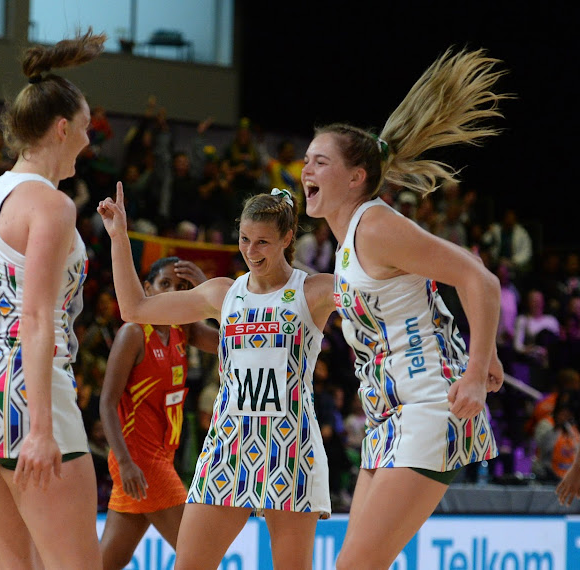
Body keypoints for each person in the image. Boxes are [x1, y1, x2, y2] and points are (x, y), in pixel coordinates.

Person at [300, 47, 508, 569]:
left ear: (355, 178)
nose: (306, 167)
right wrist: (482, 347)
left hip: (428, 409)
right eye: (306, 159)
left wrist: (479, 364)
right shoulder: (351, 240)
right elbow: (454, 283)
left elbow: (478, 279)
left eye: (319, 161)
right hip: (387, 419)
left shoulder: (374, 225)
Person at [0, 29, 106, 569]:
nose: (87, 139)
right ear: (61, 128)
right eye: (83, 128)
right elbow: (33, 318)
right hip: (24, 395)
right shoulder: (51, 206)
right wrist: (39, 428)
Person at [99, 185, 335, 569]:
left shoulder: (313, 290)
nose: (250, 251)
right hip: (228, 444)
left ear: (288, 239)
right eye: (244, 239)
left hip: (290, 444)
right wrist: (119, 237)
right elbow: (134, 307)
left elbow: (374, 290)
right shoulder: (223, 293)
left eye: (262, 242)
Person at [98, 256, 219, 569]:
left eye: (180, 287)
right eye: (164, 284)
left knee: (107, 561)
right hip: (140, 460)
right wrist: (124, 462)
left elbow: (229, 342)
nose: (171, 291)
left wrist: (206, 291)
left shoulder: (183, 330)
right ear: (147, 288)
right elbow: (107, 402)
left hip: (159, 457)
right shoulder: (134, 333)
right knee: (198, 556)